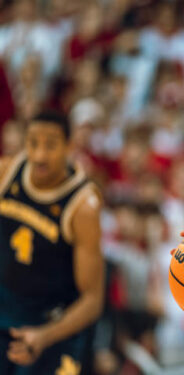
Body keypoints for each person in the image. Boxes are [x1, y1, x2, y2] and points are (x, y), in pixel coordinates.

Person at [0, 110, 104, 374]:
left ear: (69, 146)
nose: (39, 155)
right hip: (8, 310)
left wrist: (45, 336)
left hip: (54, 328)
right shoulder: (7, 172)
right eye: (33, 143)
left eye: (50, 145)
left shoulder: (83, 208)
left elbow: (93, 300)